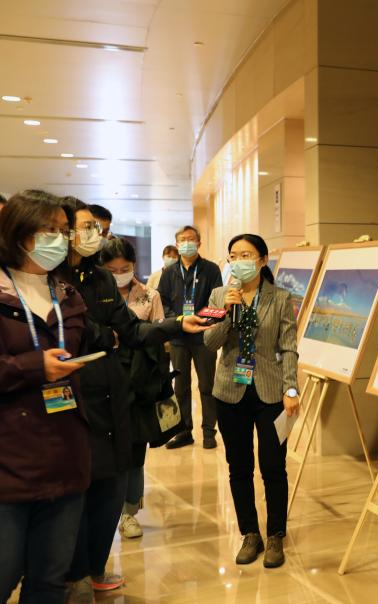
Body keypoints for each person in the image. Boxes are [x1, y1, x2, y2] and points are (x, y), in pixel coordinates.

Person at [59, 199, 210, 603]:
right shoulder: (50, 279)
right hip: (70, 398)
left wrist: (177, 324)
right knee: (76, 493)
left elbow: (130, 331)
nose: (94, 235)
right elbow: (77, 333)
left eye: (96, 228)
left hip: (113, 394)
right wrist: (100, 334)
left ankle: (94, 568)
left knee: (111, 488)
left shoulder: (101, 280)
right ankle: (73, 574)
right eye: (86, 227)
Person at [0, 191, 89, 604]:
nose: (59, 238)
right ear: (19, 232)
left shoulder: (67, 294)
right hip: (10, 463)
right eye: (48, 229)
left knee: (50, 582)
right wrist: (34, 366)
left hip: (65, 455)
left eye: (63, 230)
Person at [204, 234, 300, 569]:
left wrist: (291, 389)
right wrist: (227, 314)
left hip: (270, 391)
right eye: (234, 255)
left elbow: (288, 347)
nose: (239, 261)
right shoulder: (219, 295)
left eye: (246, 255)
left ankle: (275, 534)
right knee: (239, 466)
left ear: (262, 260)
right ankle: (250, 533)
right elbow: (209, 342)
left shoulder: (280, 297)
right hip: (230, 391)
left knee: (273, 466)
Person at [98, 238, 166, 540]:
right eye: (111, 270)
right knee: (107, 448)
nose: (118, 274)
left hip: (139, 384)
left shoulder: (150, 295)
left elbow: (160, 335)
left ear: (133, 266)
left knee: (136, 448)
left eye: (124, 268)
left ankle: (129, 511)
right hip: (103, 382)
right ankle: (105, 508)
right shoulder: (94, 295)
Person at [158, 225, 223, 449]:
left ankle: (209, 432)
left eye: (191, 239)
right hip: (178, 336)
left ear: (199, 242)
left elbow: (218, 302)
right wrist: (178, 321)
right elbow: (162, 302)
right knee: (180, 387)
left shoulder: (211, 270)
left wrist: (200, 320)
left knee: (207, 385)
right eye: (183, 239)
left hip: (204, 336)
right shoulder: (169, 273)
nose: (187, 243)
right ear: (177, 244)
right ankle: (184, 432)